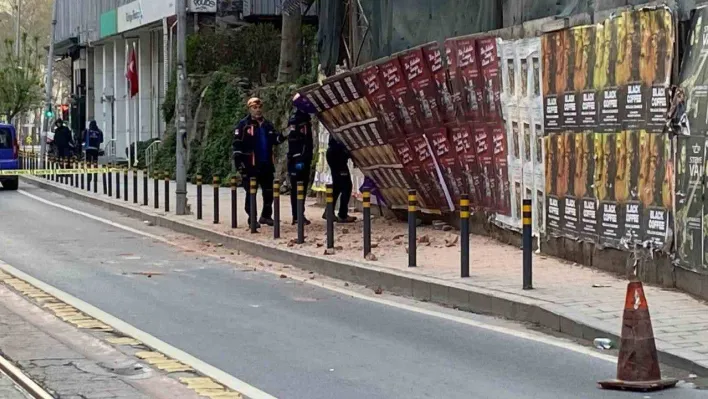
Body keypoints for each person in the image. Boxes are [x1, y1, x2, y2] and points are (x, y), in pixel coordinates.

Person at [232, 97, 286, 228]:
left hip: (266, 163)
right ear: (249, 109)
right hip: (250, 165)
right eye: (254, 108)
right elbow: (237, 147)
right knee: (251, 192)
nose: (258, 110)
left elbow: (275, 139)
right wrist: (241, 166)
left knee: (269, 192)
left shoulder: (267, 124)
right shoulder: (243, 125)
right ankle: (252, 218)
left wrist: (284, 135)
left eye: (259, 107)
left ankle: (266, 216)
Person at [286, 106, 314, 225]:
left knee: (300, 188)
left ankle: (298, 214)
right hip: (298, 160)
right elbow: (295, 140)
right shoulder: (298, 121)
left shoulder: (303, 120)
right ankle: (297, 215)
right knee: (297, 188)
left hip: (302, 158)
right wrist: (299, 157)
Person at [325, 135, 357, 223]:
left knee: (337, 186)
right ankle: (342, 215)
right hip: (338, 154)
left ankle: (328, 211)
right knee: (346, 187)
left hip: (333, 152)